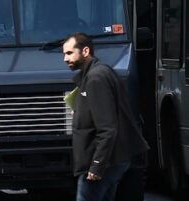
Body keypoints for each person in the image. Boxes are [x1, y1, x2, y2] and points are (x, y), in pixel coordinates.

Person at [62, 32, 147, 201]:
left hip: (105, 161)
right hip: (113, 159)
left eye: (70, 53)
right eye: (64, 54)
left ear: (85, 51)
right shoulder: (100, 72)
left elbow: (107, 128)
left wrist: (97, 166)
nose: (65, 58)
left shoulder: (95, 78)